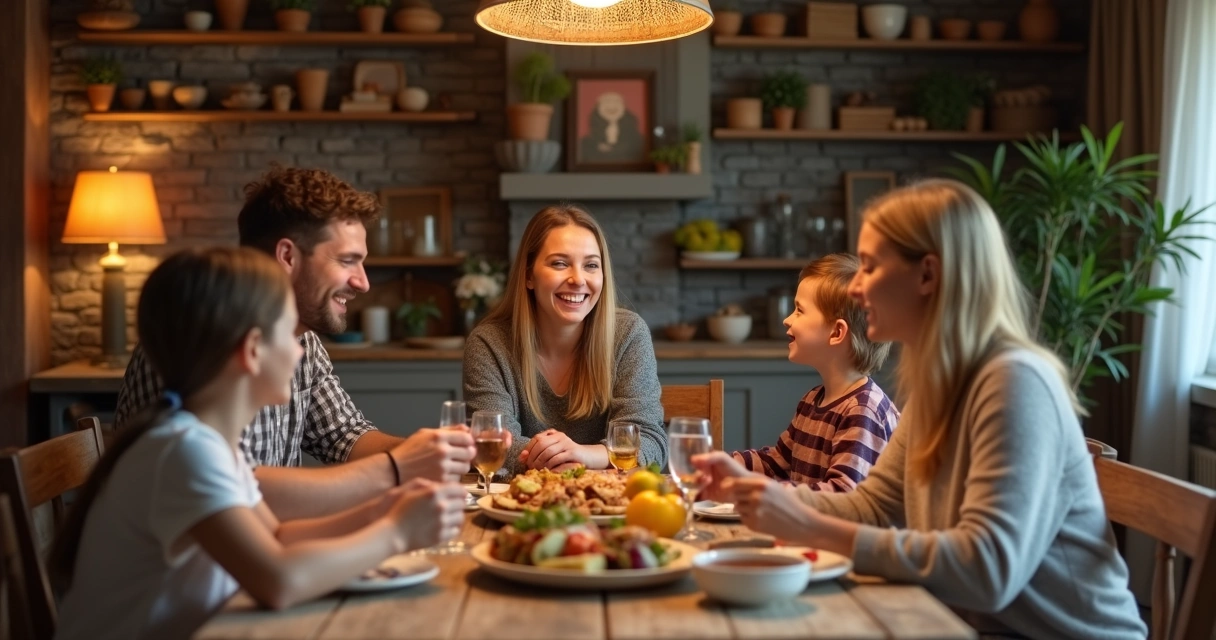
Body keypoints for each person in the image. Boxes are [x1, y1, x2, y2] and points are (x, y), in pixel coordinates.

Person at [695, 180, 1146, 639]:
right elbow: (874, 508)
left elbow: (985, 573)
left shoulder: (1015, 383)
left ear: (927, 275)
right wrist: (757, 490)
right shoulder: (939, 385)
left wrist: (808, 523)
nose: (855, 288)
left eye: (869, 267)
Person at [52, 247, 466, 640]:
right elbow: (279, 580)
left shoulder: (202, 440)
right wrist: (396, 533)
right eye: (288, 335)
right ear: (252, 350)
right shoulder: (183, 450)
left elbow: (280, 537)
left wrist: (381, 510)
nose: (301, 353)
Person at [114, 166, 474, 520]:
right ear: (287, 256)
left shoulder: (304, 341)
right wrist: (398, 469)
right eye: (348, 260)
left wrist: (425, 452)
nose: (363, 283)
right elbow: (229, 489)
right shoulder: (198, 339)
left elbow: (343, 436)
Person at [463, 204, 667, 476]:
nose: (578, 279)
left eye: (591, 265)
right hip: (519, 507)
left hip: (608, 508)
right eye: (560, 263)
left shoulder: (628, 334)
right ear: (528, 275)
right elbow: (494, 443)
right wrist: (565, 457)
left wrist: (581, 454)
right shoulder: (489, 343)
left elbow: (650, 443)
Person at [730, 254, 899, 491]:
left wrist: (771, 493)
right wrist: (727, 465)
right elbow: (777, 463)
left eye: (799, 310)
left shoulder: (863, 411)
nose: (787, 320)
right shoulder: (812, 401)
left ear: (836, 333)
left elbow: (842, 496)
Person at [578, 92, 645, 165]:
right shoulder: (585, 143)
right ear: (597, 108)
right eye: (606, 102)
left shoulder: (640, 140)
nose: (611, 105)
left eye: (616, 102)